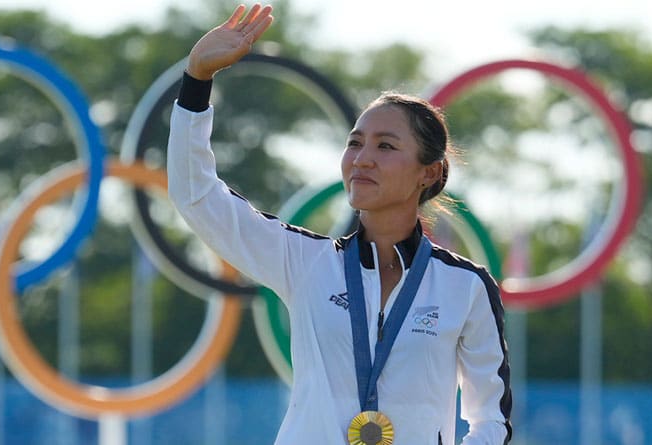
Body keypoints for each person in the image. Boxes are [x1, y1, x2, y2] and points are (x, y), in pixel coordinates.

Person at [167, 4, 512, 444]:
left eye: (385, 146)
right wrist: (197, 80)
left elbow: (491, 422)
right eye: (354, 143)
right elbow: (196, 195)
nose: (362, 158)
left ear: (428, 172)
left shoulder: (466, 285)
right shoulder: (304, 261)